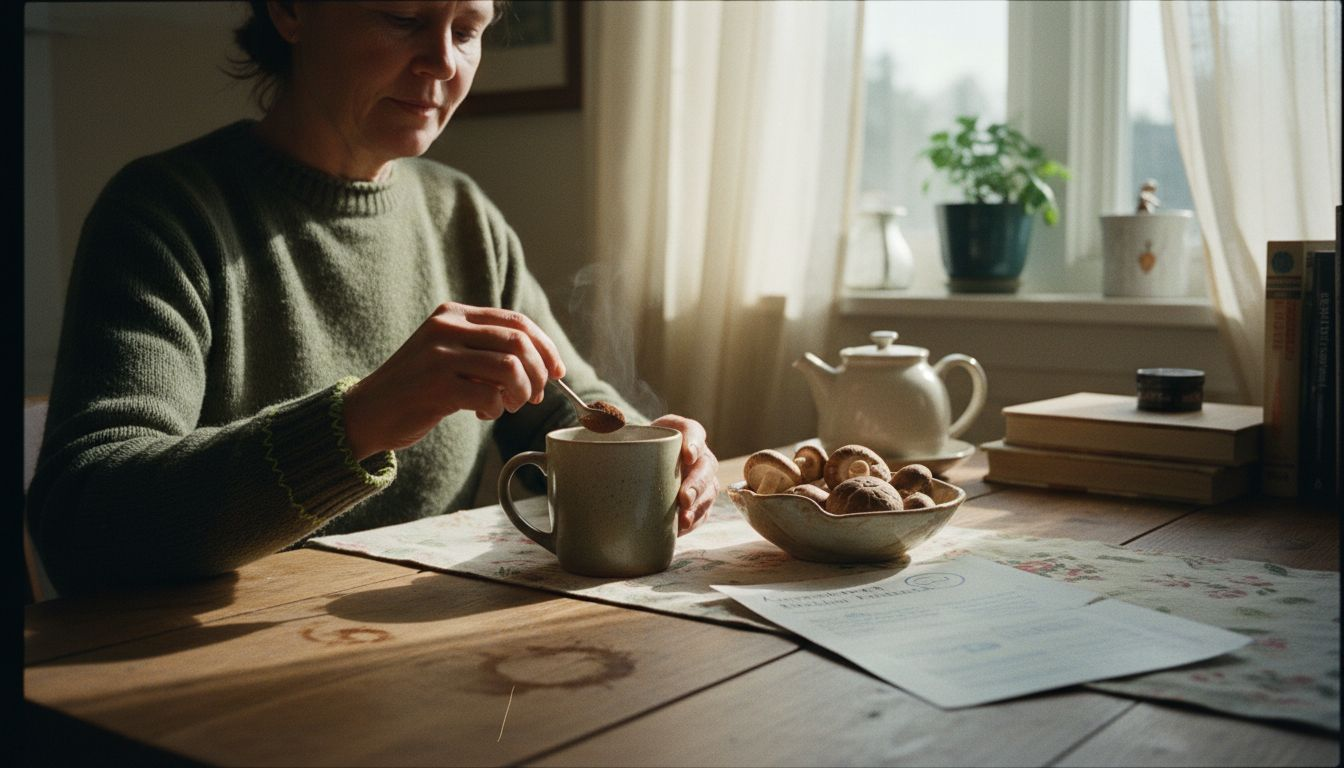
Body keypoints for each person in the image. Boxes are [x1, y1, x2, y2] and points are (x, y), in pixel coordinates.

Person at [26, 0, 719, 596]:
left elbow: (563, 409)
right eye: (403, 19)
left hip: (411, 650)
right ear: (291, 10)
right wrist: (359, 421)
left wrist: (654, 448)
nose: (443, 62)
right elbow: (82, 523)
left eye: (467, 29)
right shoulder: (165, 214)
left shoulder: (463, 216)